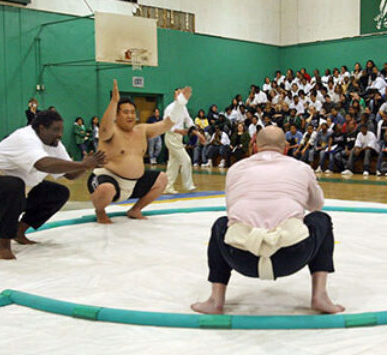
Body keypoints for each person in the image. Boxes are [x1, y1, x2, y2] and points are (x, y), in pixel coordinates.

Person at [190, 126, 344, 314]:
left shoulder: (236, 169)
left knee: (221, 224)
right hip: (292, 255)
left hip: (240, 256)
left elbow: (232, 211)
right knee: (321, 219)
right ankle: (320, 295)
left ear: (254, 146)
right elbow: (316, 206)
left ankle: (216, 299)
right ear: (286, 147)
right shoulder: (301, 168)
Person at [0, 110, 106, 259]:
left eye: (61, 130)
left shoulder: (54, 144)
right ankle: (3, 245)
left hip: (17, 191)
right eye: (55, 130)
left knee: (59, 192)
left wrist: (87, 166)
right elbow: (43, 164)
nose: (59, 134)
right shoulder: (25, 137)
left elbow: (70, 174)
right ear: (41, 128)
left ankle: (18, 232)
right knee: (14, 185)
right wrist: (82, 164)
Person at [88, 80, 182, 223]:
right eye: (125, 112)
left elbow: (166, 124)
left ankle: (135, 209)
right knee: (106, 189)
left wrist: (179, 104)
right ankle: (100, 211)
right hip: (107, 178)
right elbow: (105, 127)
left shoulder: (142, 130)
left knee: (162, 178)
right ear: (117, 115)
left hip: (134, 183)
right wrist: (114, 102)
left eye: (133, 112)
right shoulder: (110, 132)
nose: (130, 116)